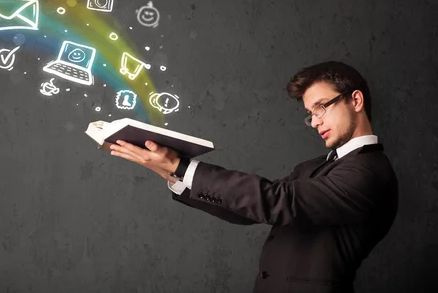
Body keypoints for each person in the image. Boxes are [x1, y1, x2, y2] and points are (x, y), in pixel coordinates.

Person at [109, 61, 399, 293]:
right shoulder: (311, 167)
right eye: (310, 114)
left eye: (321, 107)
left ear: (356, 100)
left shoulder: (370, 171)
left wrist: (182, 166)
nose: (315, 122)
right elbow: (251, 211)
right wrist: (173, 174)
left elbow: (276, 201)